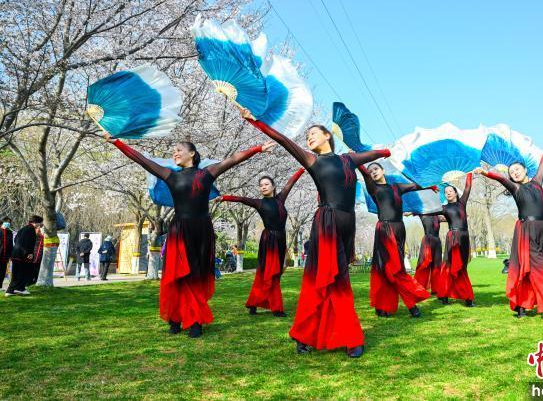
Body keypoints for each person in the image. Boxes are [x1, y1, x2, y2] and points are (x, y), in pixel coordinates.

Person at [240, 107, 390, 358]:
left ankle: (308, 334)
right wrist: (256, 121)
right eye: (307, 135)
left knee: (332, 279)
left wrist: (387, 151)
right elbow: (283, 140)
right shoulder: (313, 161)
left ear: (327, 135)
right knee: (332, 280)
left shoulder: (348, 159)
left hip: (347, 223)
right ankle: (349, 337)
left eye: (313, 133)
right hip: (326, 224)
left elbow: (375, 154)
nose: (308, 137)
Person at [105, 132, 274, 337]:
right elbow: (142, 160)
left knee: (195, 274)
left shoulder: (207, 173)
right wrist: (117, 143)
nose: (175, 153)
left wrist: (258, 149)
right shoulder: (170, 175)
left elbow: (233, 159)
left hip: (202, 230)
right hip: (179, 230)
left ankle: (195, 321)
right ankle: (175, 319)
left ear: (192, 153)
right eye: (174, 151)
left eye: (179, 150)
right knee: (176, 273)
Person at [476, 133, 543, 322]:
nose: (515, 173)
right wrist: (486, 173)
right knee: (540, 269)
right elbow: (501, 179)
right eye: (512, 172)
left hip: (542, 229)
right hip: (525, 231)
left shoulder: (537, 182)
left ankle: (521, 305)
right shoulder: (516, 188)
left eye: (517, 169)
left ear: (525, 169)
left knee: (531, 269)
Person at [218, 168, 305, 317]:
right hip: (269, 241)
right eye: (261, 185)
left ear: (273, 186)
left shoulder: (280, 199)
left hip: (281, 240)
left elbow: (290, 182)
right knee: (270, 273)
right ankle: (277, 308)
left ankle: (254, 303)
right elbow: (241, 199)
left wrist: (303, 168)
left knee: (275, 272)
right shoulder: (259, 203)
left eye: (266, 184)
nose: (263, 187)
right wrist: (224, 197)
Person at [358, 163, 432, 318]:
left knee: (392, 268)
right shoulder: (374, 189)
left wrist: (430, 186)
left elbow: (415, 186)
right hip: (385, 230)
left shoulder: (396, 187)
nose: (373, 172)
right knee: (393, 269)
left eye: (376, 169)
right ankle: (411, 305)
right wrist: (359, 163)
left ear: (383, 170)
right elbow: (365, 175)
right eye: (370, 171)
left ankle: (382, 305)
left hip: (399, 229)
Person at [437, 173, 476, 306]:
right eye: (446, 192)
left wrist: (470, 172)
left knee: (462, 266)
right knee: (449, 266)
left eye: (450, 191)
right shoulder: (444, 208)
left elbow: (468, 187)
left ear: (455, 193)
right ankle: (457, 297)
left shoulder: (462, 203)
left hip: (465, 237)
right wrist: (414, 211)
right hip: (453, 238)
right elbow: (429, 211)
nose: (448, 193)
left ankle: (463, 296)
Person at [5, 215, 43, 296]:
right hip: (23, 255)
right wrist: (29, 253)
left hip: (16, 253)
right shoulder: (31, 229)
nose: (39, 225)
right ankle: (19, 288)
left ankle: (11, 290)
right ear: (35, 222)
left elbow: (16, 240)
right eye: (39, 223)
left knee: (16, 273)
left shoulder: (23, 229)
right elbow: (28, 242)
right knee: (24, 272)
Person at [413, 213, 443, 294]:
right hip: (427, 241)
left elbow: (446, 217)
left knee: (437, 266)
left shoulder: (437, 216)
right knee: (423, 264)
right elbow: (409, 211)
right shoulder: (423, 214)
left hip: (437, 242)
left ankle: (436, 289)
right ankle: (419, 288)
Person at [1, 217, 12, 289]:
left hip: (5, 256)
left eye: (9, 222)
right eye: (7, 222)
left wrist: (10, 255)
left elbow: (10, 244)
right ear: (3, 222)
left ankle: (0, 286)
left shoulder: (9, 232)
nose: (8, 223)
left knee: (2, 272)